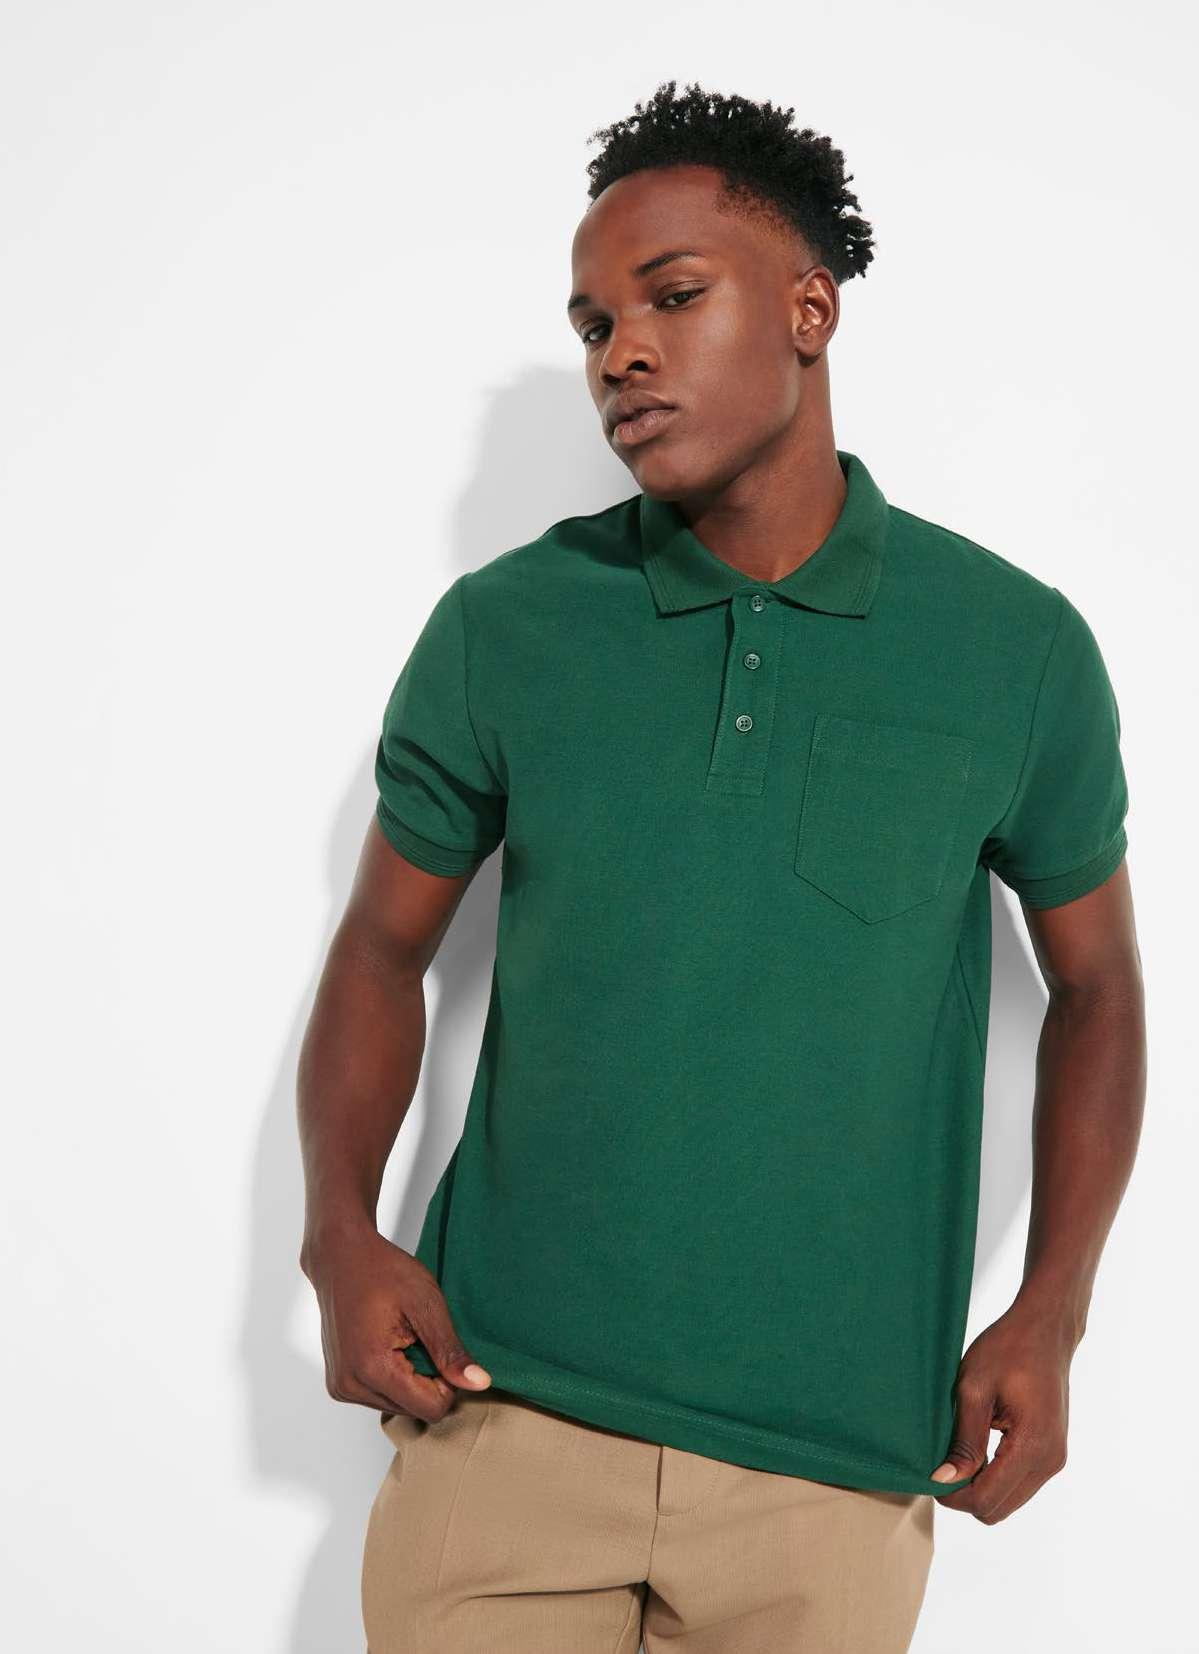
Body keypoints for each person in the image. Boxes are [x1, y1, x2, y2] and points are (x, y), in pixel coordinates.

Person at [297, 79, 1147, 1653]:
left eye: (672, 297)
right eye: (594, 322)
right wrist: (338, 1231)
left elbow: (1097, 988)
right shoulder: (509, 627)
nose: (620, 352)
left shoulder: (1014, 651)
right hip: (505, 1426)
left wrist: (1055, 1307)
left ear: (810, 309)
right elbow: (377, 946)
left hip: (830, 1476)